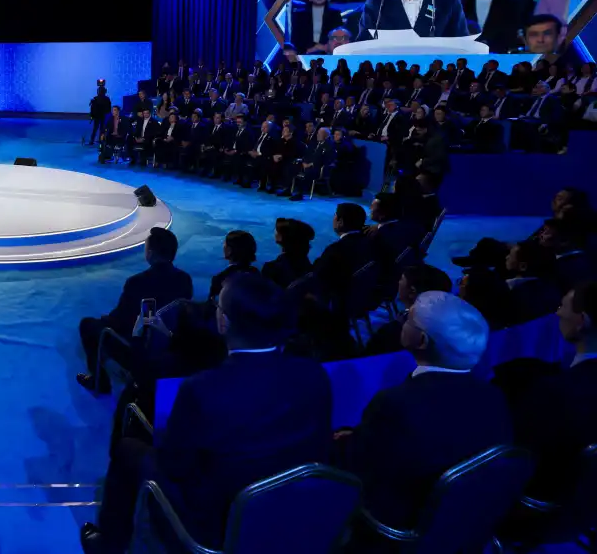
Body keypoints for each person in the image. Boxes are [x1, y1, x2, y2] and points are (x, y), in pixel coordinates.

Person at [81, 273, 332, 553]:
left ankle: (108, 544)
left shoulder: (201, 389)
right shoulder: (314, 374)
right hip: (292, 505)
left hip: (217, 522)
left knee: (127, 448)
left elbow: (174, 466)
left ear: (223, 322)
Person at [335, 292, 511, 529]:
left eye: (408, 317)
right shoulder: (493, 395)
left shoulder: (395, 403)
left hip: (400, 527)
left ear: (421, 340)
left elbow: (361, 467)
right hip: (470, 522)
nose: (402, 319)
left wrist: (349, 441)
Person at [496, 282, 597, 501]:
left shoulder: (553, 392)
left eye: (563, 307)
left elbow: (518, 460)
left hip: (545, 504)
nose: (558, 313)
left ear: (581, 321)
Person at [77, 228, 192, 393]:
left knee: (88, 325)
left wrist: (105, 320)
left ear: (150, 253)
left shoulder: (136, 282)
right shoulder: (185, 280)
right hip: (172, 346)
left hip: (141, 350)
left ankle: (99, 381)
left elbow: (120, 322)